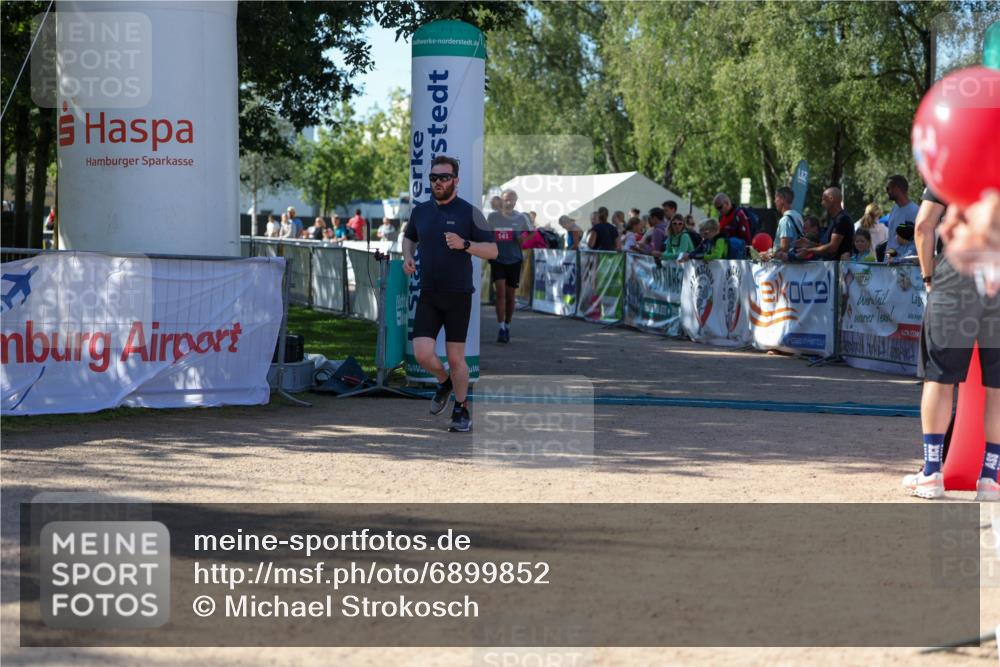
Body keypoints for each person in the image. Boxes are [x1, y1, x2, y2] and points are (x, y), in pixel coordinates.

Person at [902, 186, 1000, 500]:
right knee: (998, 387)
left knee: (939, 377)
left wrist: (929, 278)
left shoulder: (957, 164)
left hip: (957, 274)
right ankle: (990, 477)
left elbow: (923, 225)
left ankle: (931, 473)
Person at [402, 155, 497, 433]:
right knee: (422, 354)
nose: (438, 182)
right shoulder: (420, 211)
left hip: (458, 295)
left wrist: (465, 244)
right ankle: (444, 382)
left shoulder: (470, 212)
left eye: (444, 177)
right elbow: (410, 237)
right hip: (429, 292)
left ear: (456, 180)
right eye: (433, 178)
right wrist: (408, 256)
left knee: (457, 358)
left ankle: (461, 408)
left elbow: (492, 251)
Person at [486, 188, 532, 344]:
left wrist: (522, 240)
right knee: (500, 293)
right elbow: (485, 233)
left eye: (512, 199)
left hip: (514, 259)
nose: (509, 202)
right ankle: (501, 328)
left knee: (511, 296)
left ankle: (507, 325)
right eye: (506, 199)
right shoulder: (493, 217)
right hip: (498, 259)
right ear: (501, 200)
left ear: (515, 201)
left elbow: (532, 232)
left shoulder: (521, 218)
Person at [796, 187, 852, 260]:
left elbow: (832, 247)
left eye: (823, 199)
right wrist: (809, 244)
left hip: (838, 268)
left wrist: (809, 250)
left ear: (831, 199)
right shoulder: (836, 219)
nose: (822, 203)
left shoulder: (841, 219)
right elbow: (826, 246)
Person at [762, 186, 803, 261]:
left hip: (784, 266)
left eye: (776, 198)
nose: (774, 201)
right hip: (795, 262)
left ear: (782, 199)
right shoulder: (798, 216)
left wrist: (768, 254)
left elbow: (784, 248)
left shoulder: (785, 220)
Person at [884, 175, 919, 258]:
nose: (887, 191)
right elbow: (891, 239)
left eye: (888, 188)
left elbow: (917, 240)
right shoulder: (894, 208)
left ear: (897, 188)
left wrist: (904, 259)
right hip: (890, 263)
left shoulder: (915, 211)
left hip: (904, 266)